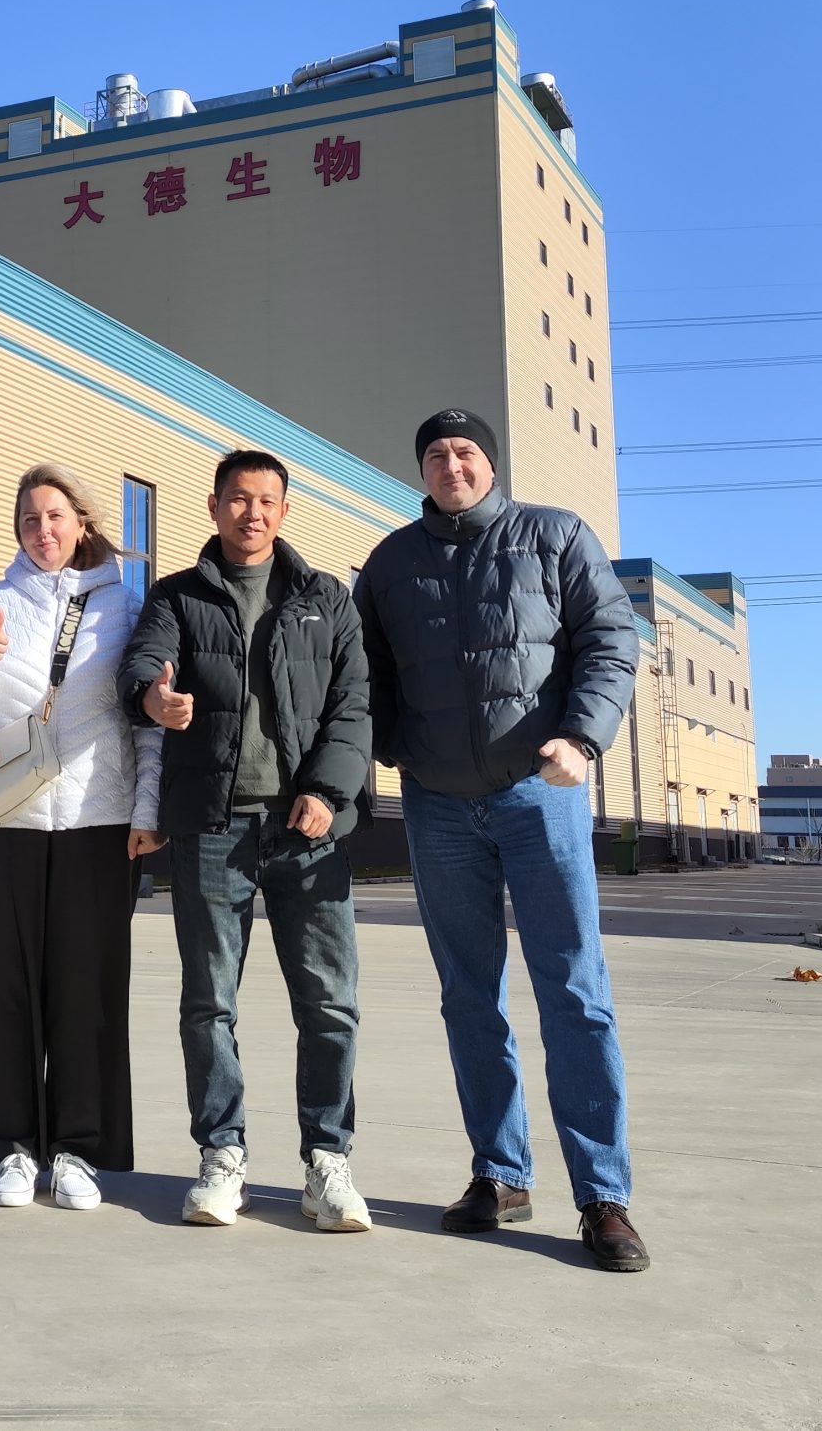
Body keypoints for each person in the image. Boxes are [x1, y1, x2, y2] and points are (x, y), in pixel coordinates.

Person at [352, 409, 650, 1271]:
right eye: (436, 455)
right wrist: (392, 750)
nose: (452, 465)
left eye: (466, 452)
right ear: (421, 470)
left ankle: (603, 1197)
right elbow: (363, 674)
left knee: (574, 992)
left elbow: (611, 639)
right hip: (438, 806)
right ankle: (500, 1173)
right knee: (469, 996)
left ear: (491, 463)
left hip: (538, 796)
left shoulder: (555, 537)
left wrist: (582, 737)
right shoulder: (391, 562)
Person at [118, 448, 374, 1232]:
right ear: (213, 506)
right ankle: (221, 1156)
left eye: (266, 500)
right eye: (237, 498)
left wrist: (327, 792)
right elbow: (141, 666)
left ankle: (327, 1159)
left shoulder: (326, 599)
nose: (251, 512)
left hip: (308, 830)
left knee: (329, 1003)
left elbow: (353, 706)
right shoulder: (177, 595)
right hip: (211, 826)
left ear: (284, 512)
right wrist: (153, 700)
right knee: (209, 1003)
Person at [0, 464, 163, 1211]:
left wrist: (147, 809)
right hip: (6, 824)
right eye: (29, 518)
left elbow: (147, 721)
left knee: (88, 991)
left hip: (100, 820)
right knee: (11, 988)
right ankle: (17, 1148)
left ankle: (77, 1151)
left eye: (55, 515)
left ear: (82, 521)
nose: (42, 529)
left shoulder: (126, 607)